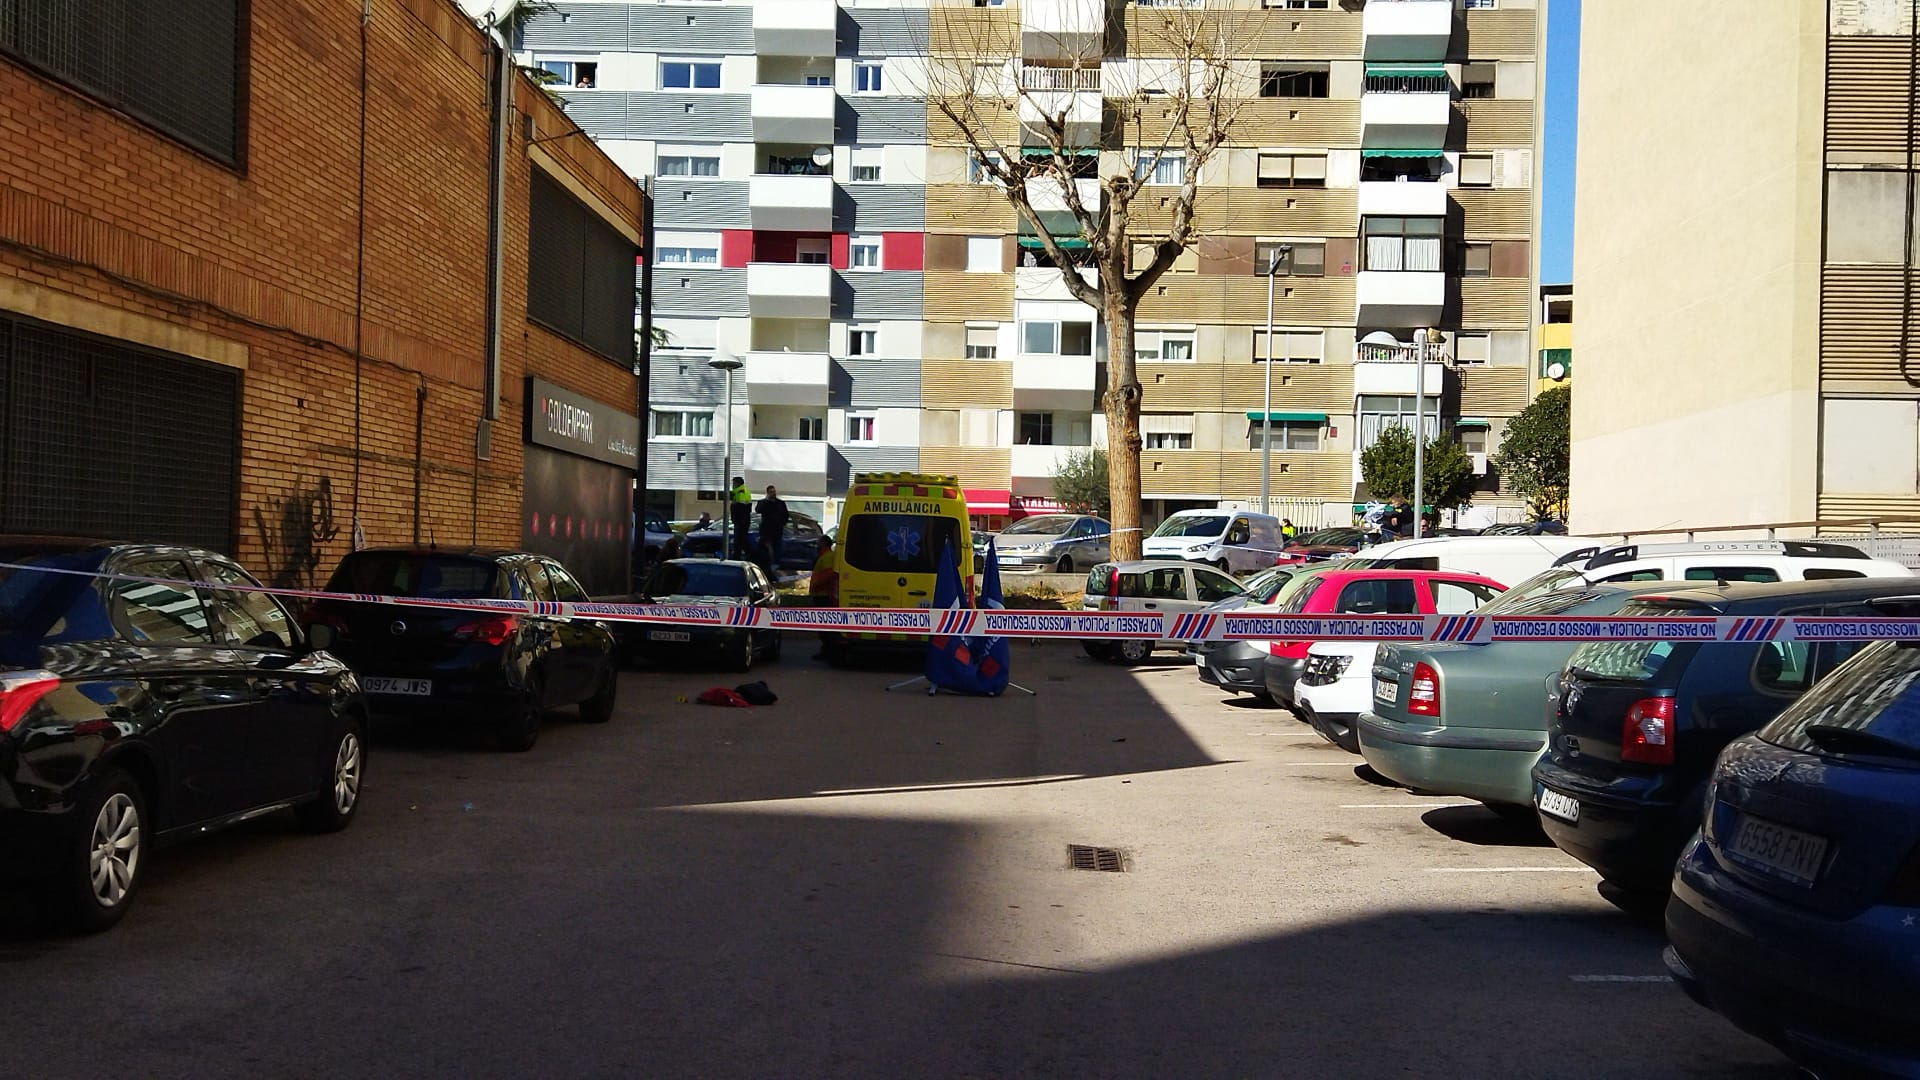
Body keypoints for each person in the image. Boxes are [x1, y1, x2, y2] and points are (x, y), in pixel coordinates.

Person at [756, 485, 789, 574]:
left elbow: (786, 514)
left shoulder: (780, 503)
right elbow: (758, 510)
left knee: (777, 548)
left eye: (774, 492)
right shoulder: (763, 502)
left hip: (777, 530)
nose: (773, 494)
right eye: (771, 492)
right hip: (766, 531)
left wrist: (782, 523)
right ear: (767, 493)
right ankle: (767, 566)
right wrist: (766, 500)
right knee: (766, 550)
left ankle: (776, 566)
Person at [728, 476, 752, 559]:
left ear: (737, 484)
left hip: (740, 522)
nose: (732, 485)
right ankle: (750, 556)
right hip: (743, 521)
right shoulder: (744, 492)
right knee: (742, 541)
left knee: (738, 542)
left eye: (734, 483)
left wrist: (735, 520)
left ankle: (738, 558)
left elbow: (739, 508)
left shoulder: (740, 493)